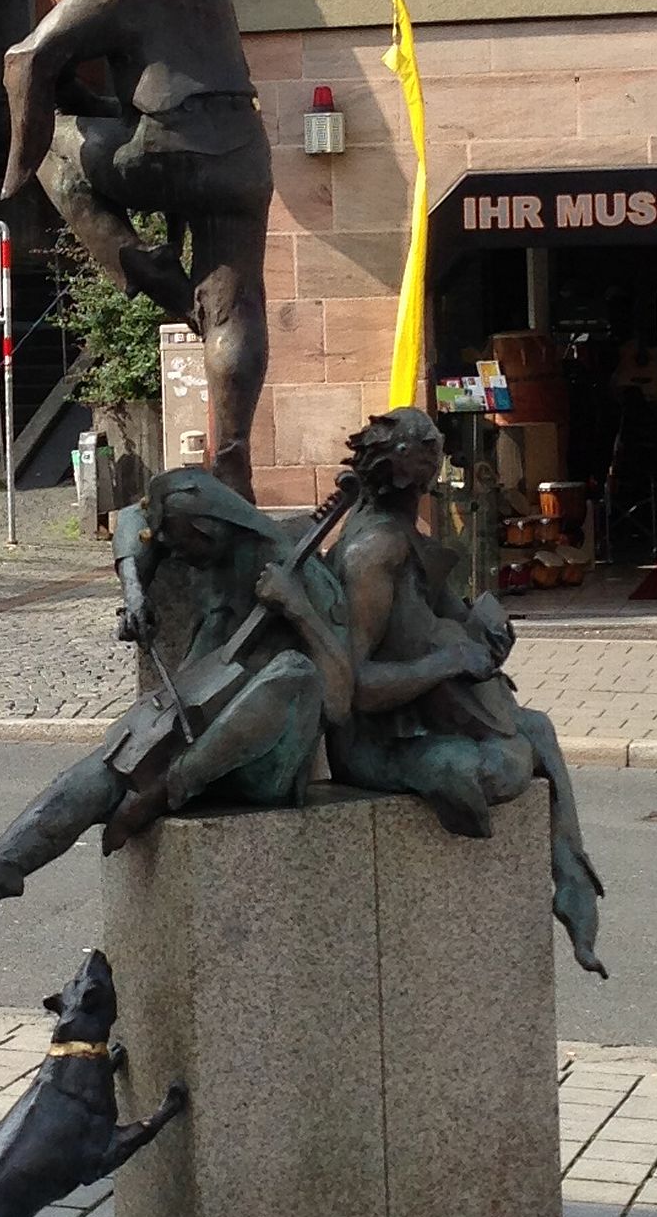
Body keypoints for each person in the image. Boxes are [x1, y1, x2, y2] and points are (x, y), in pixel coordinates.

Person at [0, 468, 339, 949]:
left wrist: (298, 608)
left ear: (209, 530)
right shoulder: (207, 547)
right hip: (197, 713)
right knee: (104, 766)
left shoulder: (300, 571)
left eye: (182, 547)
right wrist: (134, 593)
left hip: (261, 759)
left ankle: (163, 790)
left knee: (293, 671)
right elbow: (132, 518)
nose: (176, 558)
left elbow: (343, 694)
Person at [258, 406, 609, 976]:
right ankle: (557, 882)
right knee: (494, 765)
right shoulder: (373, 554)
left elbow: (453, 617)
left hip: (429, 715)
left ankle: (573, 882)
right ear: (414, 476)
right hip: (377, 740)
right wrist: (448, 660)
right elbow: (353, 690)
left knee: (536, 729)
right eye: (434, 464)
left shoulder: (406, 540)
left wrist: (484, 634)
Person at [2, 0, 274, 498]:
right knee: (236, 309)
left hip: (172, 151)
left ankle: (147, 269)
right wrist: (89, 96)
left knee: (55, 151)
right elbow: (167, 87)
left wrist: (17, 164)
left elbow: (28, 58)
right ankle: (233, 462)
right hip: (242, 154)